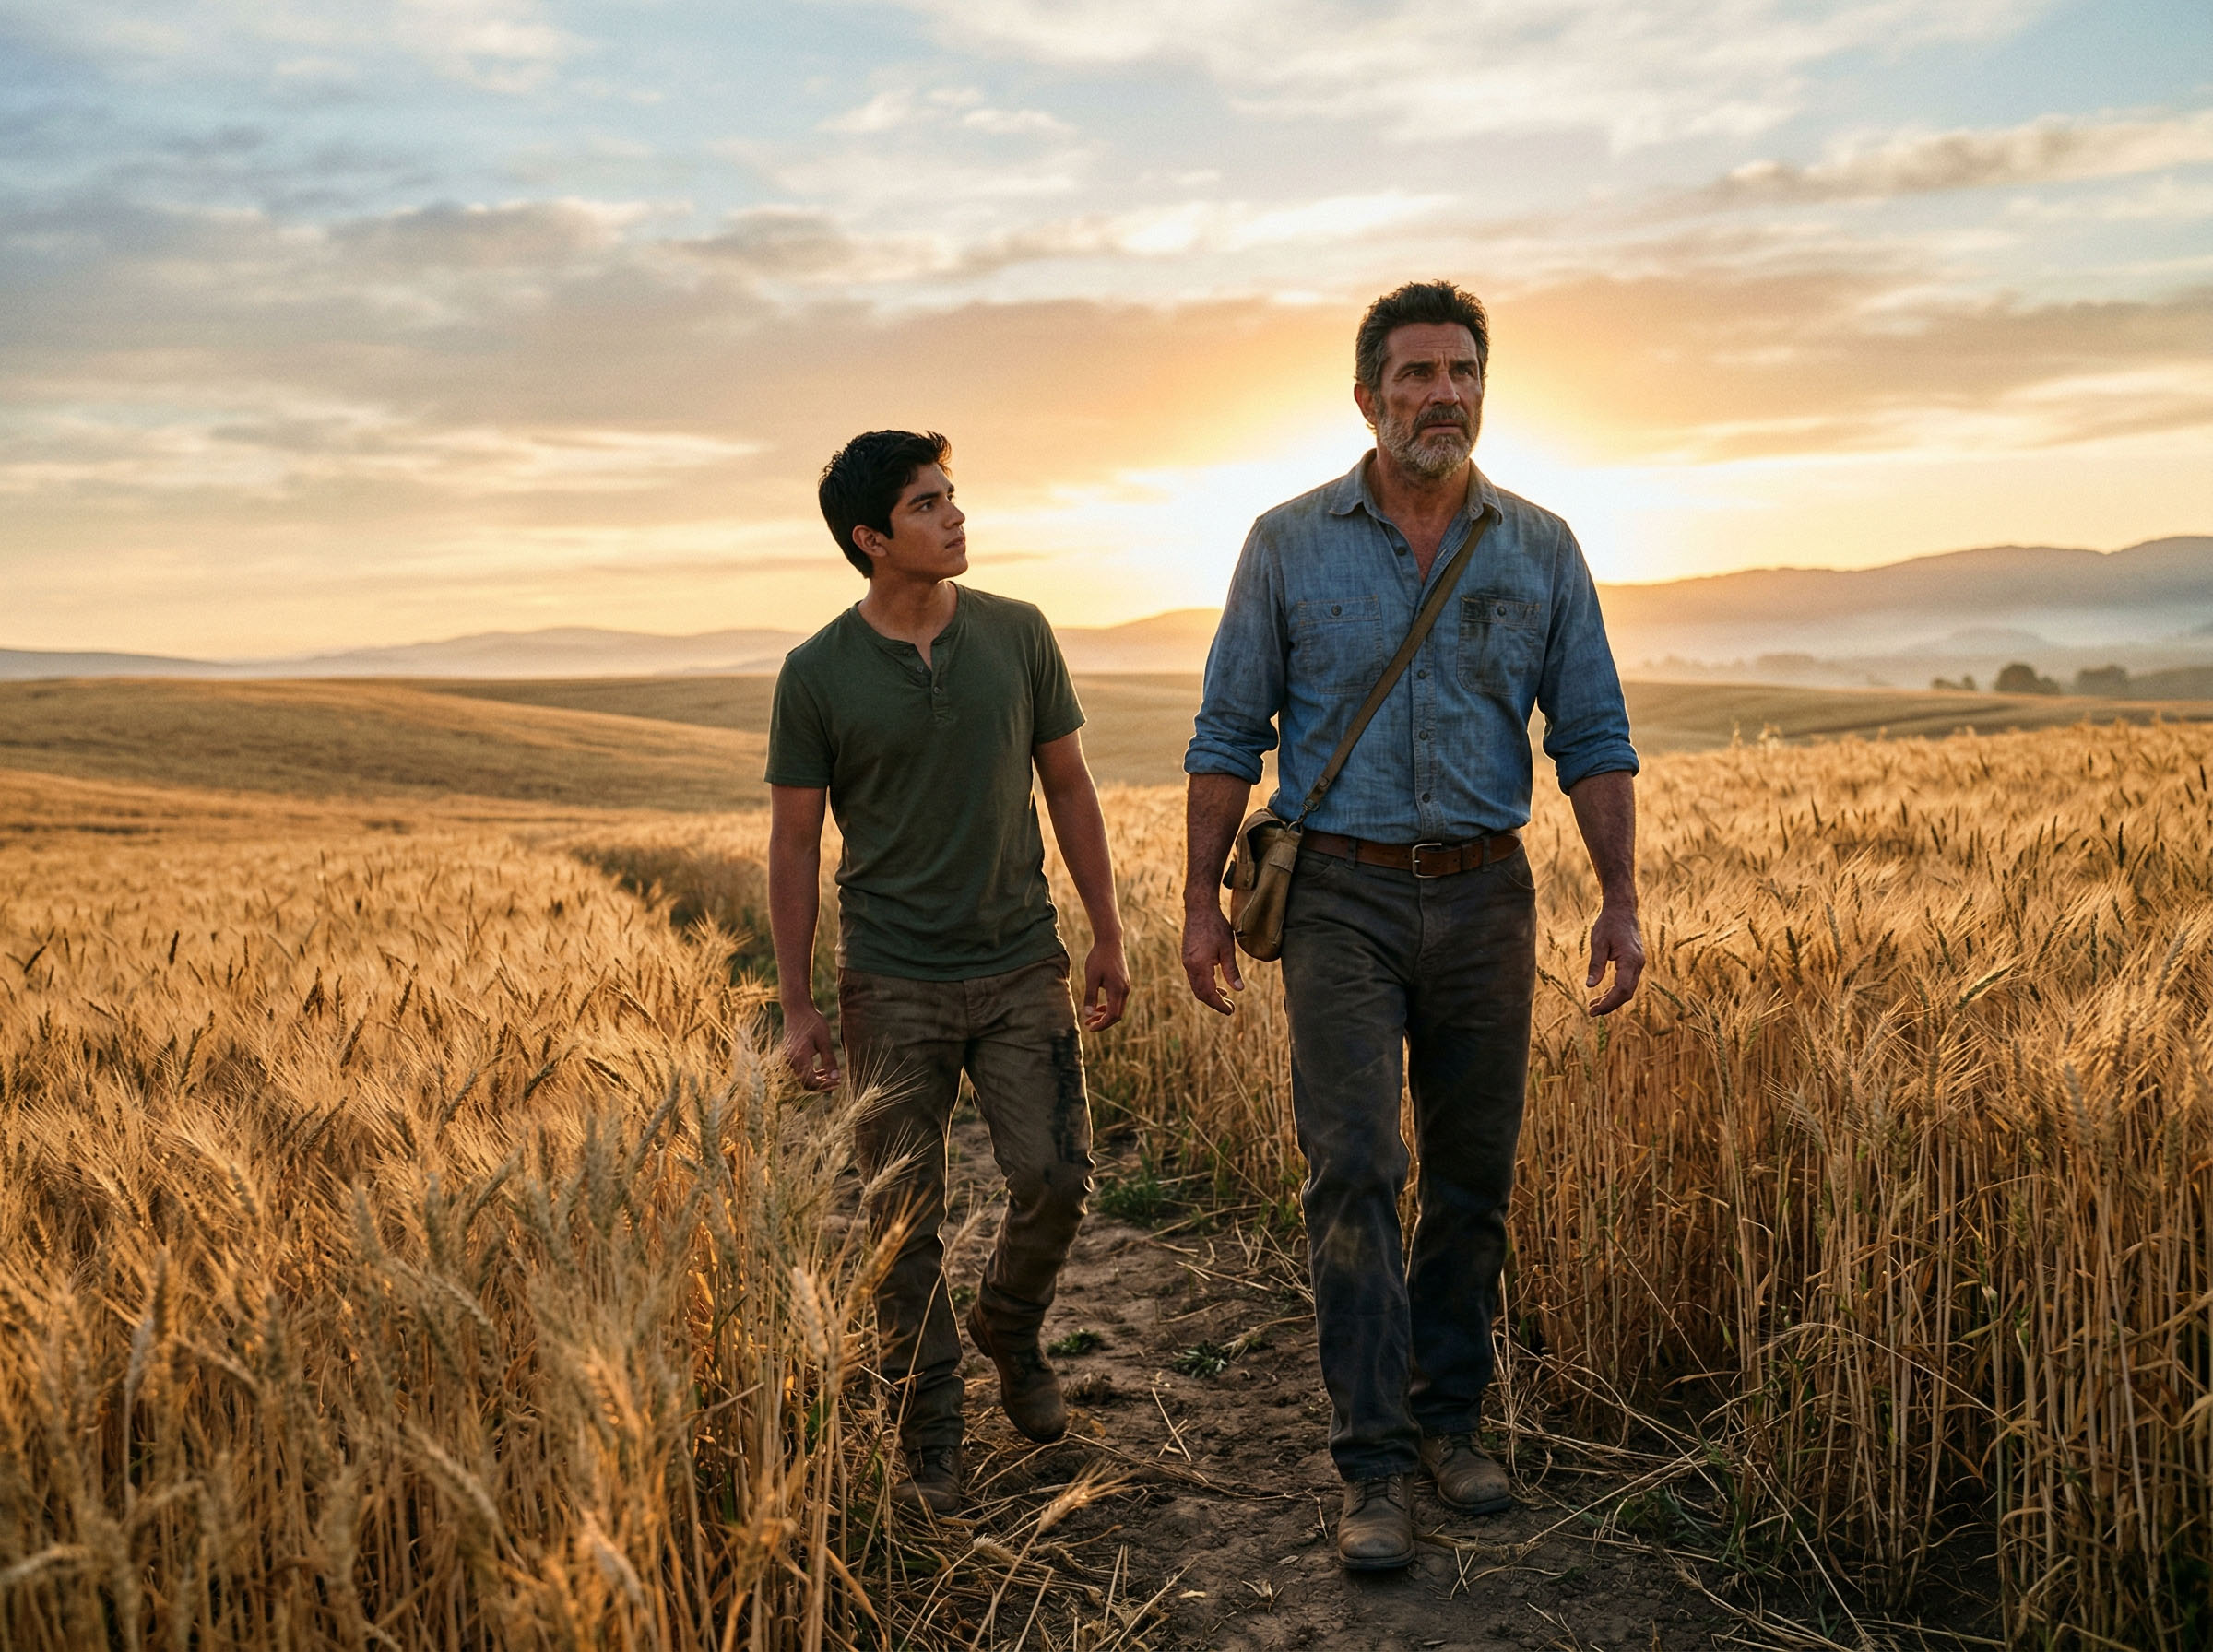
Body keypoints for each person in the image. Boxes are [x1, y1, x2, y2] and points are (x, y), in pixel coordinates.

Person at [1179, 281, 1643, 1570]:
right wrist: (1198, 907)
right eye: (1416, 373)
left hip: (1490, 891)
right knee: (1354, 1174)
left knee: (1474, 1178)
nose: (1442, 392)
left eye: (1462, 371)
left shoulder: (1542, 547)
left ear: (1484, 387)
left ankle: (1453, 1422)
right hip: (1339, 895)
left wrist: (1620, 895)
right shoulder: (1286, 543)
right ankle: (1372, 1460)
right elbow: (1229, 732)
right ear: (1367, 395)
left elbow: (1593, 733)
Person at [766, 430, 1130, 1515]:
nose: (956, 517)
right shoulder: (817, 673)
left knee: (1058, 1176)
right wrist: (798, 1005)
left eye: (952, 496)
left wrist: (1106, 931)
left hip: (1022, 958)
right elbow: (794, 845)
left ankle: (1009, 1327)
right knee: (899, 1220)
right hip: (892, 979)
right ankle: (930, 1427)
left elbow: (1068, 786)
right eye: (929, 505)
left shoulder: (1019, 635)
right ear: (873, 538)